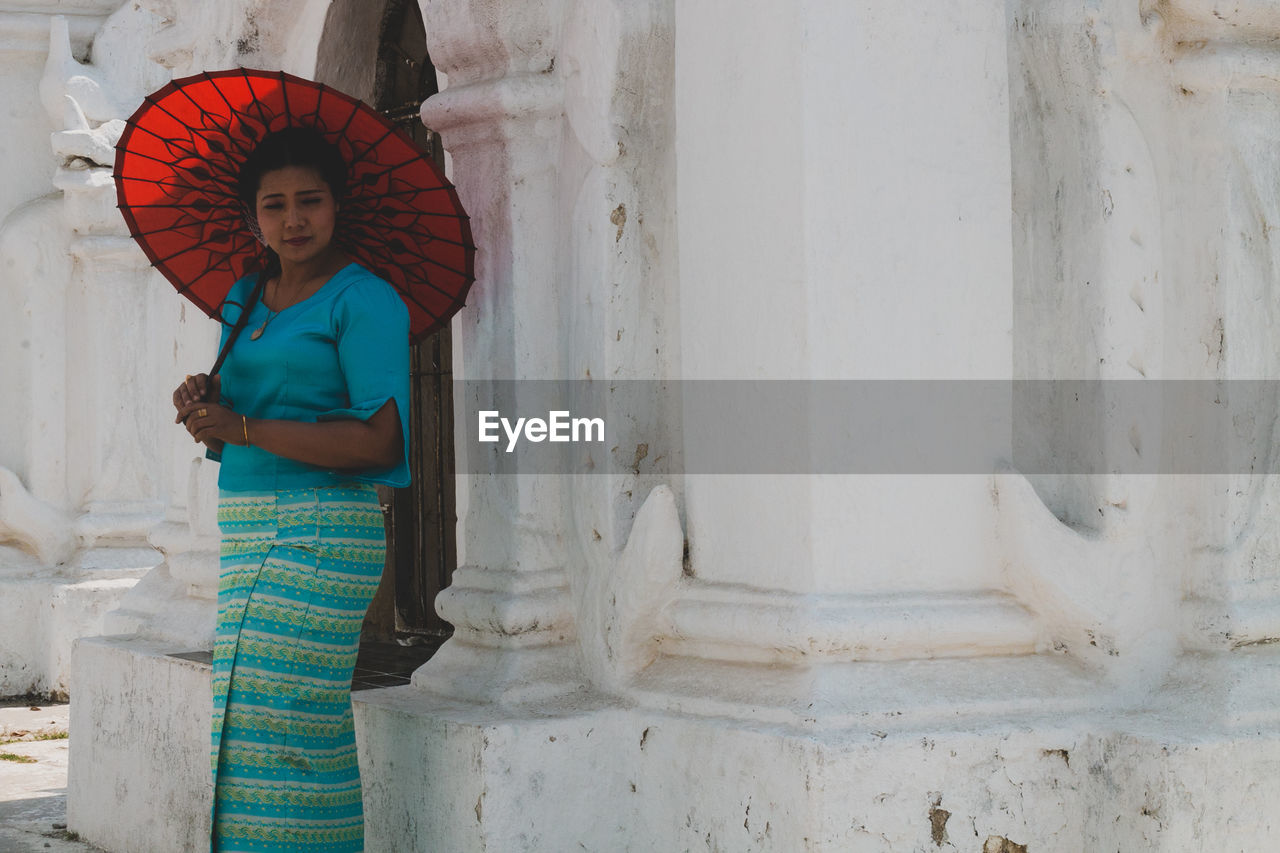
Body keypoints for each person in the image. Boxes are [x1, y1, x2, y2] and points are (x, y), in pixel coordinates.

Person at [172, 125, 411, 853]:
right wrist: (204, 404)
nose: (293, 219)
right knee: (245, 727)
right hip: (248, 528)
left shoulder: (365, 300)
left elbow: (380, 441)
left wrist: (243, 425)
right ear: (253, 218)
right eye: (274, 205)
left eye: (310, 200)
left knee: (289, 724)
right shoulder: (246, 297)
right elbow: (240, 419)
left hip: (321, 533)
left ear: (338, 206)